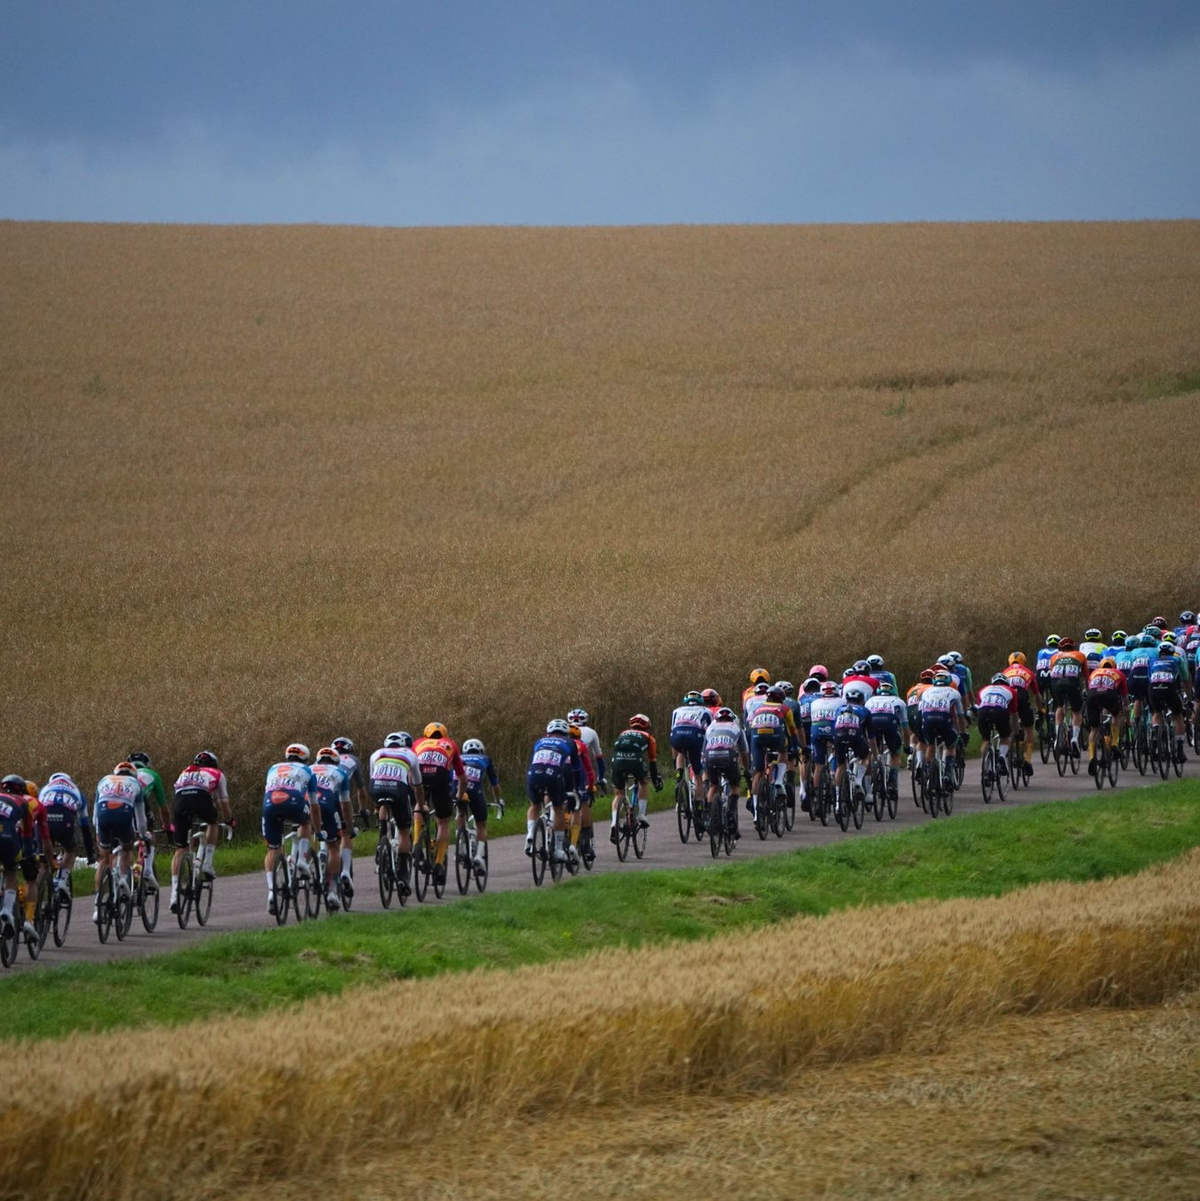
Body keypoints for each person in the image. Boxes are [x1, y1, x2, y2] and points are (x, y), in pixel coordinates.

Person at [169, 751, 232, 913]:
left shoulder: (185, 772)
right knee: (213, 823)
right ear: (214, 764)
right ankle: (208, 864)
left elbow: (176, 793)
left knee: (180, 849)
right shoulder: (217, 774)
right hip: (200, 798)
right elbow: (223, 803)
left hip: (180, 801)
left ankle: (174, 895)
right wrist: (229, 820)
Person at [261, 744, 320, 917]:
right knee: (305, 823)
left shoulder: (273, 768)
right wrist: (318, 828)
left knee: (273, 848)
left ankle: (272, 892)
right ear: (305, 759)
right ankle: (301, 859)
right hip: (293, 802)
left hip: (270, 803)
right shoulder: (308, 771)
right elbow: (315, 806)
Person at [414, 723, 469, 887]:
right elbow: (462, 778)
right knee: (443, 821)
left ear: (426, 735)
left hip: (420, 773)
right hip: (440, 776)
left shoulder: (417, 743)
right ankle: (438, 862)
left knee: (419, 804)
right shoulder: (450, 744)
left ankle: (417, 841)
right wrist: (458, 796)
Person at [368, 732, 424, 896]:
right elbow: (417, 785)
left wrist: (376, 806)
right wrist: (420, 805)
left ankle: (381, 839)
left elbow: (374, 777)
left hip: (376, 788)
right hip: (398, 789)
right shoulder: (410, 755)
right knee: (405, 832)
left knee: (382, 803)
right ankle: (402, 874)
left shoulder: (376, 754)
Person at [91, 762, 143, 924]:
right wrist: (141, 835)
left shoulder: (104, 780)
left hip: (103, 817)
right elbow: (141, 820)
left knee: (104, 859)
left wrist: (100, 835)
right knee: (127, 848)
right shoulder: (136, 784)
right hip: (123, 817)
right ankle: (122, 879)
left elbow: (94, 818)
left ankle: (97, 906)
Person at [527, 719, 583, 861]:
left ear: (548, 734)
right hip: (553, 774)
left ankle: (530, 836)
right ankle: (558, 849)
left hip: (533, 773)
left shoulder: (539, 741)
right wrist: (579, 788)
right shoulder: (570, 743)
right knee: (558, 808)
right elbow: (577, 769)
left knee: (534, 805)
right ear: (566, 734)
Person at [608, 714, 662, 842]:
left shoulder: (622, 733)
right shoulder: (649, 737)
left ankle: (614, 822)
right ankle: (642, 815)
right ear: (647, 726)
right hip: (634, 760)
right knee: (643, 782)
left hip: (617, 760)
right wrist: (655, 781)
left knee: (619, 793)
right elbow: (652, 763)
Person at [311, 748, 354, 909]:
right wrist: (349, 827)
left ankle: (300, 859)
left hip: (305, 804)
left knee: (305, 827)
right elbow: (345, 805)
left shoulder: (308, 768)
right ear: (336, 761)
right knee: (334, 847)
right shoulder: (340, 772)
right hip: (326, 805)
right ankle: (332, 891)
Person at [746, 684, 797, 816]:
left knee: (758, 772)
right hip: (775, 736)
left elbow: (750, 726)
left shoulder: (758, 708)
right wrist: (795, 747)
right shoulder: (785, 708)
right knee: (783, 751)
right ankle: (779, 781)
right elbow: (792, 730)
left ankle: (756, 812)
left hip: (756, 737)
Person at [39, 773, 94, 895]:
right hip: (65, 822)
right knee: (70, 850)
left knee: (43, 860)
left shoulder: (44, 789)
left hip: (45, 821)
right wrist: (90, 855)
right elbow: (85, 827)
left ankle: (37, 900)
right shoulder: (77, 791)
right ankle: (62, 880)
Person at [701, 706, 750, 837]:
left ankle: (711, 817)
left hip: (710, 756)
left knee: (713, 785)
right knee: (735, 785)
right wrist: (746, 770)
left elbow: (703, 752)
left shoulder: (710, 728)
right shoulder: (736, 727)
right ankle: (731, 814)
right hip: (728, 756)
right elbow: (744, 752)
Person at [0, 775, 38, 941]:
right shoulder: (23, 803)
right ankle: (7, 910)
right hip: (8, 840)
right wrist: (28, 856)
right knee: (11, 872)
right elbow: (28, 834)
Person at [918, 671, 967, 791]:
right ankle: (948, 773)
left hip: (927, 720)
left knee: (930, 744)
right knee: (951, 746)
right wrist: (962, 732)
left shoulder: (925, 692)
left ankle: (929, 772)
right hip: (943, 720)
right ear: (949, 682)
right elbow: (960, 715)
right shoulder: (954, 692)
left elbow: (921, 712)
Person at [459, 737, 501, 871]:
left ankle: (461, 843)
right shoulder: (485, 759)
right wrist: (497, 800)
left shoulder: (458, 758)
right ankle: (478, 855)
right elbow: (494, 784)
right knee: (481, 824)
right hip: (475, 792)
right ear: (481, 750)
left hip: (458, 790)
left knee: (460, 814)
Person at [128, 753, 170, 873]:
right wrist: (167, 827)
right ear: (147, 765)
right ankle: (147, 870)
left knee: (125, 841)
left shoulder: (121, 774)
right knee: (149, 833)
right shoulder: (153, 775)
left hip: (120, 805)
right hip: (139, 805)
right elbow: (163, 808)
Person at [865, 681, 907, 799]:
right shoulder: (899, 701)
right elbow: (905, 727)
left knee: (874, 750)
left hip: (873, 723)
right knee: (895, 753)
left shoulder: (870, 701)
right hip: (889, 723)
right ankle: (892, 782)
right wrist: (907, 746)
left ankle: (874, 773)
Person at [1085, 657, 1128, 773]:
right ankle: (1114, 743)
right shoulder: (1119, 673)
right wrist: (1127, 715)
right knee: (1115, 715)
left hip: (1093, 696)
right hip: (1109, 695)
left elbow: (1091, 687)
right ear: (1114, 667)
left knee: (1094, 729)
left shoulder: (1094, 673)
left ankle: (1092, 758)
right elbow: (1125, 699)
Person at [1001, 652, 1041, 777]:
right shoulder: (1029, 672)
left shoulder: (1004, 673)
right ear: (1023, 661)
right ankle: (1028, 759)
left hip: (1006, 697)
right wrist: (1041, 708)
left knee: (1009, 728)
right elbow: (1037, 695)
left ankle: (1006, 751)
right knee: (1029, 729)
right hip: (1022, 697)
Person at [1149, 642, 1188, 766]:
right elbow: (1185, 679)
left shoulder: (1152, 660)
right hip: (1170, 688)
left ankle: (1155, 742)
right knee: (1178, 715)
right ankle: (1180, 749)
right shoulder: (1178, 659)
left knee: (1157, 712)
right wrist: (1189, 696)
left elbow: (1149, 678)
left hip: (1153, 688)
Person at [1048, 637, 1089, 751]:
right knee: (1076, 711)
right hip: (1072, 682)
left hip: (1056, 683)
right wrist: (1086, 689)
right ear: (1073, 647)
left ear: (1060, 648)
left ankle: (1057, 737)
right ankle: (1075, 738)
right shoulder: (1080, 655)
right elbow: (1086, 676)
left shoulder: (1054, 657)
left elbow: (1053, 671)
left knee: (1060, 706)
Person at [832, 688, 872, 803]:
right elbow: (870, 736)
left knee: (840, 765)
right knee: (865, 757)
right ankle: (858, 780)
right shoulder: (864, 710)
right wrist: (873, 751)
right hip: (855, 735)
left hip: (839, 735)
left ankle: (838, 798)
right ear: (861, 701)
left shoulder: (839, 709)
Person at [976, 674, 1019, 776]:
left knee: (986, 740)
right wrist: (1015, 731)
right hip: (1000, 711)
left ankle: (985, 767)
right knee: (1005, 737)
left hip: (983, 711)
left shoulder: (983, 690)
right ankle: (1002, 756)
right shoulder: (1011, 691)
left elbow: (980, 706)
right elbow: (1013, 714)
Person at [564, 724, 595, 863]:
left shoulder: (559, 743)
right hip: (577, 777)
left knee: (559, 806)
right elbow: (588, 768)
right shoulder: (581, 745)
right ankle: (585, 845)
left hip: (557, 776)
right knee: (582, 805)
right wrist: (591, 785)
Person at [669, 691, 712, 787]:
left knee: (680, 752)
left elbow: (673, 729)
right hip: (694, 737)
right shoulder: (706, 711)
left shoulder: (676, 711)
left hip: (677, 736)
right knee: (698, 776)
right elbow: (711, 730)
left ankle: (678, 775)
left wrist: (674, 760)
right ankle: (698, 801)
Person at [808, 680, 842, 800]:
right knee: (840, 760)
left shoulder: (814, 702)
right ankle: (834, 775)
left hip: (816, 731)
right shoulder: (842, 701)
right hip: (833, 730)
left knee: (818, 764)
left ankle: (817, 795)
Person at [332, 737, 370, 828]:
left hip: (312, 792)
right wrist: (363, 810)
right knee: (346, 830)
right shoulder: (353, 759)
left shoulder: (319, 760)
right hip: (335, 794)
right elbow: (361, 790)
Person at [568, 707, 607, 792]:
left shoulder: (562, 730)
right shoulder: (592, 732)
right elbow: (599, 757)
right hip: (579, 765)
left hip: (558, 763)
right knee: (583, 796)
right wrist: (600, 778)